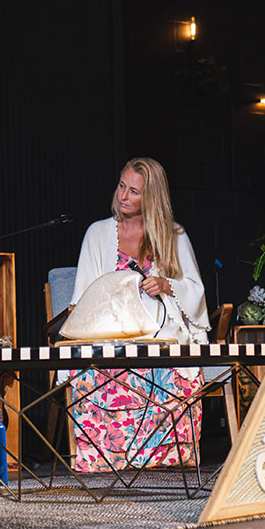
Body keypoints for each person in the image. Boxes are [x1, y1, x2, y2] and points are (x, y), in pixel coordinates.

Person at [67, 157, 210, 472]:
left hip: (162, 331)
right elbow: (85, 296)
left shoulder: (174, 235)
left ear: (151, 197)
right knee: (105, 364)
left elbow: (194, 290)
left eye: (134, 191)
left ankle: (166, 455)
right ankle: (110, 457)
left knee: (169, 361)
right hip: (110, 332)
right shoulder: (98, 233)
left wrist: (166, 284)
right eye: (121, 186)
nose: (123, 196)